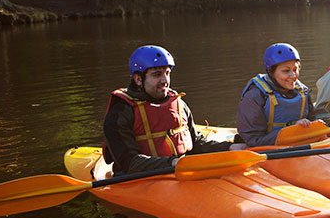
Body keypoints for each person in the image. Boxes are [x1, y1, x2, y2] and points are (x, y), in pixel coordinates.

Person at [103, 45, 246, 175]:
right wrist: (173, 163)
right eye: (157, 74)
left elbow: (195, 143)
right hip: (140, 178)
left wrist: (231, 147)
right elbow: (130, 163)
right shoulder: (121, 112)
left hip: (179, 171)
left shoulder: (178, 104)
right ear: (138, 79)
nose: (165, 80)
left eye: (167, 73)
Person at [237, 43, 316, 147]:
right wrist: (293, 131)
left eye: (295, 69)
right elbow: (253, 140)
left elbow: (312, 120)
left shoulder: (302, 91)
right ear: (271, 72)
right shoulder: (255, 96)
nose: (293, 76)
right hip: (267, 150)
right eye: (286, 71)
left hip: (296, 145)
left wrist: (314, 125)